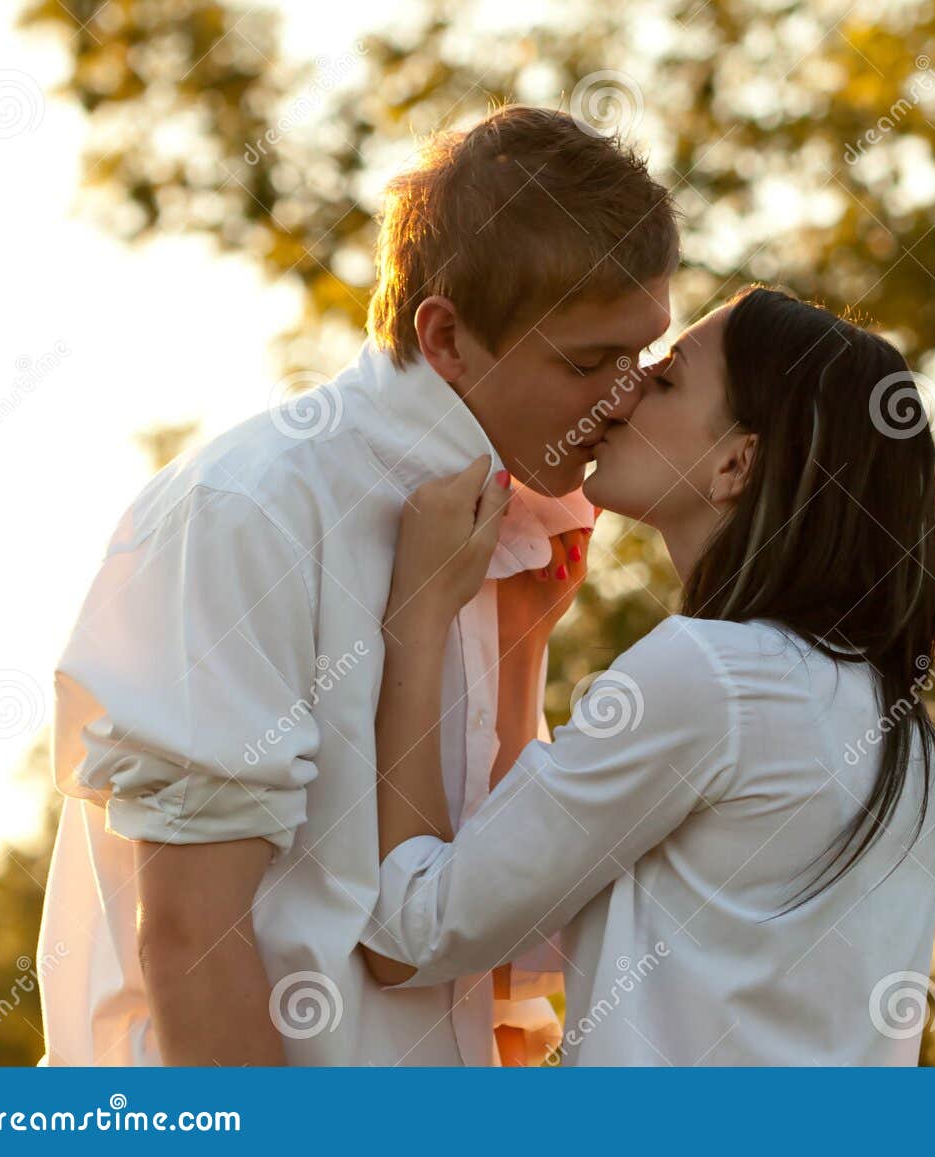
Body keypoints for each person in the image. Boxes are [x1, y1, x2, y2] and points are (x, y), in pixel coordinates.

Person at [36, 104, 678, 1066]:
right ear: (447, 337)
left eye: (644, 356)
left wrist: (521, 643)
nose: (625, 397)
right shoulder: (249, 510)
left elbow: (465, 918)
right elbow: (190, 937)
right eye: (589, 363)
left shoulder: (515, 519)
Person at [359, 286, 935, 1065]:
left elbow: (410, 931)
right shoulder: (904, 741)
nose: (621, 394)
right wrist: (522, 640)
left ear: (737, 462)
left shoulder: (712, 674)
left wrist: (420, 612)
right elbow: (523, 926)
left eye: (664, 379)